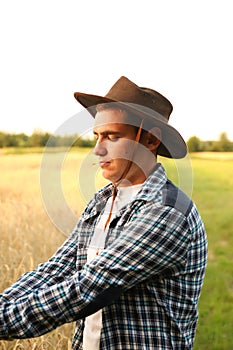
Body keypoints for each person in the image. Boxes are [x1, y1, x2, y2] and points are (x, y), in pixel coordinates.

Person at [0, 76, 208, 349]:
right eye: (97, 136)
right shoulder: (101, 202)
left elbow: (91, 286)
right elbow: (57, 269)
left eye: (112, 136)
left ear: (151, 138)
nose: (98, 149)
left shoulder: (167, 212)